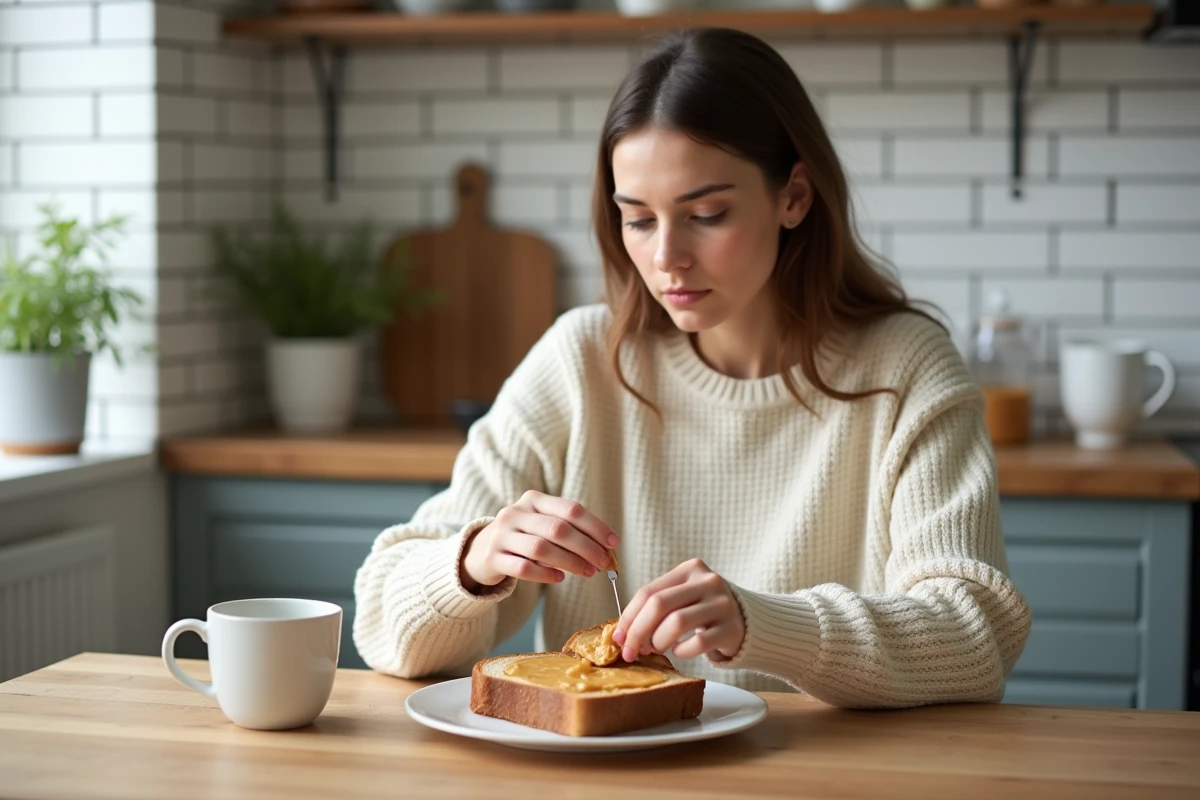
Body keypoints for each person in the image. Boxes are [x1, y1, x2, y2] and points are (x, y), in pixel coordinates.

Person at [353, 27, 1031, 708]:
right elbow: (382, 629)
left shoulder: (905, 369)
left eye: (706, 214)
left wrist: (760, 625)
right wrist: (473, 563)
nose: (666, 257)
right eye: (639, 220)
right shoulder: (581, 359)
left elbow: (976, 638)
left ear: (795, 196)